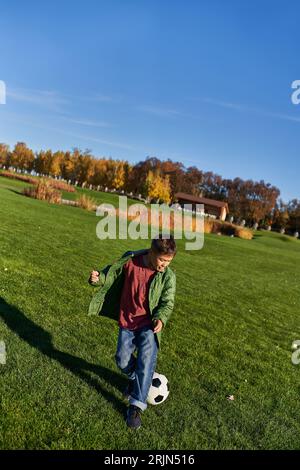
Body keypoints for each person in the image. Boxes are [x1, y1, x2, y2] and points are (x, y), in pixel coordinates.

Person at [88, 234, 177, 430]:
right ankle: (136, 379)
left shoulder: (168, 276)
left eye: (168, 261)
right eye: (162, 260)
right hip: (127, 321)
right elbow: (111, 274)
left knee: (146, 360)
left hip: (148, 325)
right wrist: (98, 278)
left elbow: (167, 303)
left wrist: (160, 317)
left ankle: (135, 406)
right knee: (122, 359)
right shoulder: (131, 261)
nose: (164, 265)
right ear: (151, 252)